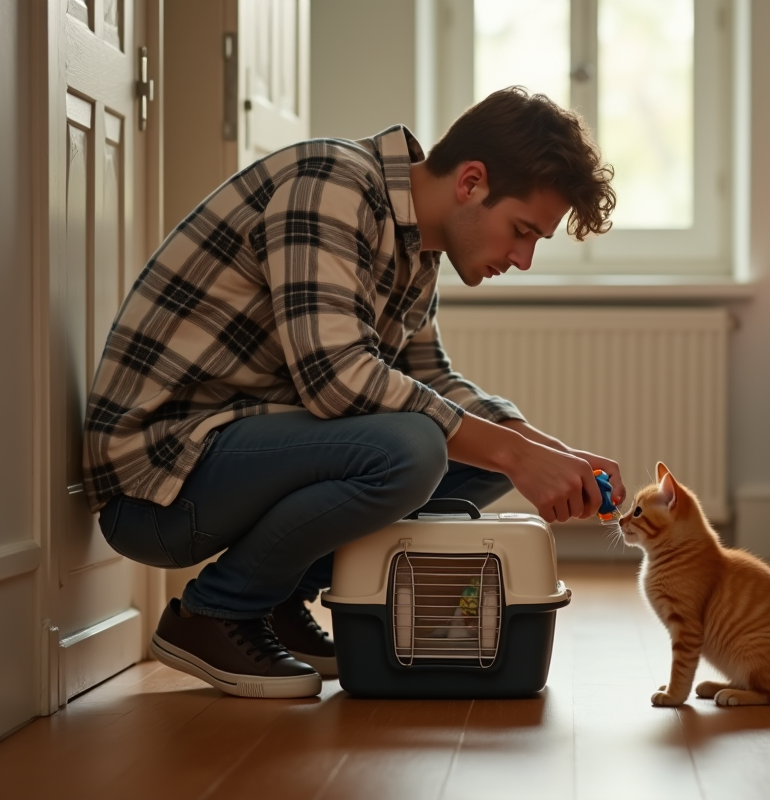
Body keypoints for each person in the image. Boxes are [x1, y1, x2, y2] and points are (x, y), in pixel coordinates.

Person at [82, 87, 625, 699]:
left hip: (235, 453)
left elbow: (431, 380)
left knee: (480, 462)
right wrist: (515, 453)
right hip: (158, 479)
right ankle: (215, 612)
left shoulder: (420, 247)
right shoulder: (331, 184)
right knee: (415, 449)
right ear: (471, 182)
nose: (523, 258)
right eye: (522, 231)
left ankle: (280, 598)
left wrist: (548, 453)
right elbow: (337, 379)